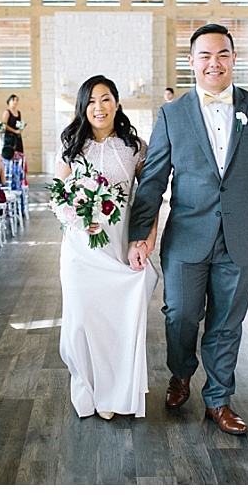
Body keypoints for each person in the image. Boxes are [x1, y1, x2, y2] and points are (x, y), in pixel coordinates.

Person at [128, 23, 248, 435]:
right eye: (205, 55)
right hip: (186, 234)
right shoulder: (172, 113)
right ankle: (181, 373)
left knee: (227, 323)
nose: (213, 63)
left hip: (243, 235)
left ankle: (218, 398)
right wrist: (138, 235)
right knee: (180, 314)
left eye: (222, 55)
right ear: (192, 62)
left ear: (234, 59)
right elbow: (153, 180)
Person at [55, 75, 159, 421]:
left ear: (116, 103)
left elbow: (150, 198)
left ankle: (116, 392)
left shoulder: (135, 147)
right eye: (91, 101)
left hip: (118, 245)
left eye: (105, 99)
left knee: (117, 320)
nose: (98, 108)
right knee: (81, 319)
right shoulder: (71, 144)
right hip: (80, 248)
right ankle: (88, 386)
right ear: (83, 107)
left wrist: (146, 241)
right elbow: (58, 196)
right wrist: (78, 216)